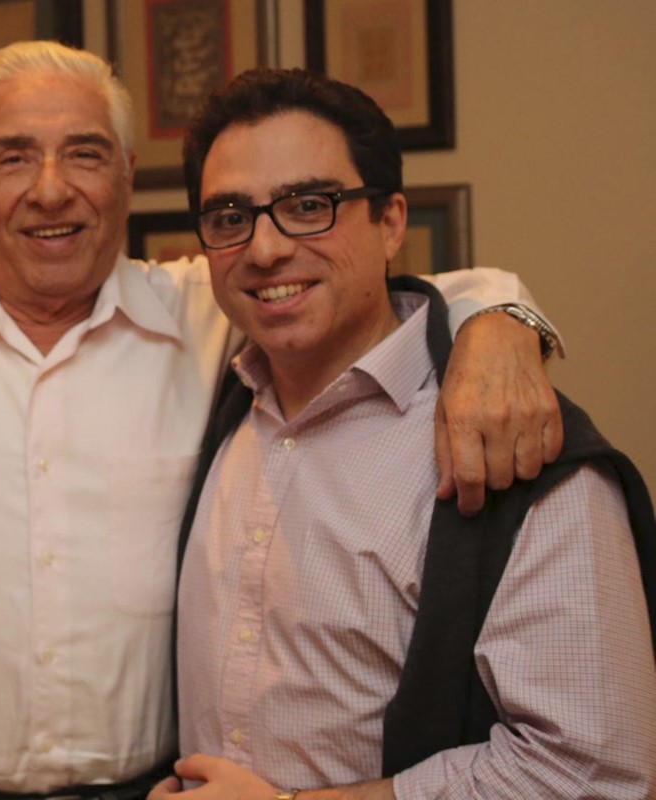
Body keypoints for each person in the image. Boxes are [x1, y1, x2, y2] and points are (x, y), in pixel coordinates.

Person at [0, 41, 561, 799]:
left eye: (85, 154)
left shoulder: (206, 308)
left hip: (158, 786)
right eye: (14, 157)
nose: (52, 191)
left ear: (125, 177)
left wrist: (500, 325)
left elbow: (383, 282)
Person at [150, 68, 656, 799]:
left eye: (307, 204)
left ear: (390, 222)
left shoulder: (521, 451)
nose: (263, 249)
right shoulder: (222, 402)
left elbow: (588, 773)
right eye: (230, 216)